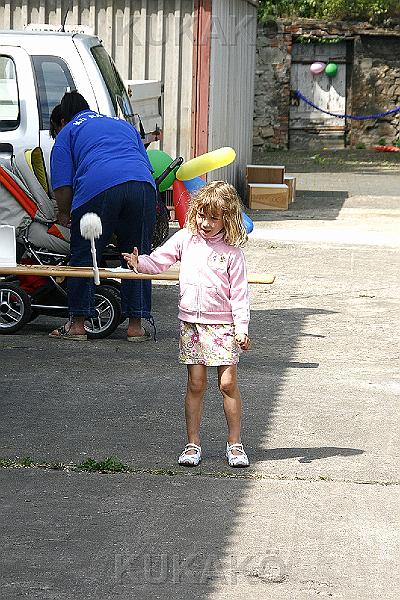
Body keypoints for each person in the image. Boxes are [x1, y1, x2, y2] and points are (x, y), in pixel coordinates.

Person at [122, 181, 251, 467]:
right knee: (196, 383)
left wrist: (242, 328)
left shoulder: (233, 253)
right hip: (192, 325)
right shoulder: (185, 238)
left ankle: (235, 443)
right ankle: (193, 444)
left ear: (227, 218)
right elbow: (159, 261)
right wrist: (139, 262)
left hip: (224, 327)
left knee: (228, 384)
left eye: (214, 218)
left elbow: (240, 294)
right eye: (202, 215)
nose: (205, 223)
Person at [49, 90, 157, 341]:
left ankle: (77, 325)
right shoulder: (122, 124)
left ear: (63, 119)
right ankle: (136, 326)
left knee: (85, 255)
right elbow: (145, 164)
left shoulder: (68, 131)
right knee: (137, 255)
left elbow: (62, 185)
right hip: (142, 186)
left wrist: (64, 213)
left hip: (98, 187)